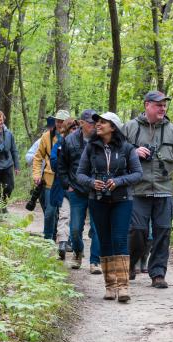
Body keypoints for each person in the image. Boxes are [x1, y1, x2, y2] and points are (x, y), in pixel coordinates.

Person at [123, 91, 173, 288]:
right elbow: (115, 156)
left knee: (163, 232)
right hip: (137, 190)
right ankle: (130, 264)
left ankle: (158, 273)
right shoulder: (130, 128)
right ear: (147, 105)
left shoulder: (172, 131)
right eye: (158, 105)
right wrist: (132, 152)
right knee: (137, 232)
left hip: (164, 190)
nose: (163, 108)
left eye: (164, 105)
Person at [77, 112, 143, 302]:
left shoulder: (127, 148)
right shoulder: (91, 148)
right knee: (104, 239)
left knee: (120, 238)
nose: (98, 125)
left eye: (103, 122)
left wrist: (119, 180)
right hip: (97, 199)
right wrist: (92, 182)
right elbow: (80, 174)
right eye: (97, 122)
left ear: (113, 127)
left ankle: (123, 287)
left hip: (122, 199)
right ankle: (110, 286)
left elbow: (137, 174)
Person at [57, 109, 101, 273]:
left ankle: (95, 261)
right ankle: (78, 252)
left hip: (97, 191)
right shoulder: (69, 141)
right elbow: (62, 166)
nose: (94, 126)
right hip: (77, 191)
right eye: (91, 123)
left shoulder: (102, 140)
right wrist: (67, 184)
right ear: (81, 123)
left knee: (98, 229)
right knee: (75, 229)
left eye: (96, 123)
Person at [33, 110, 72, 257]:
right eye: (58, 121)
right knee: (50, 212)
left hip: (68, 181)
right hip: (50, 179)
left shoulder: (73, 137)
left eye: (63, 121)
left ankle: (66, 241)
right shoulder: (47, 137)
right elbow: (37, 158)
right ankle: (48, 240)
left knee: (67, 213)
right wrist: (36, 174)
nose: (60, 124)